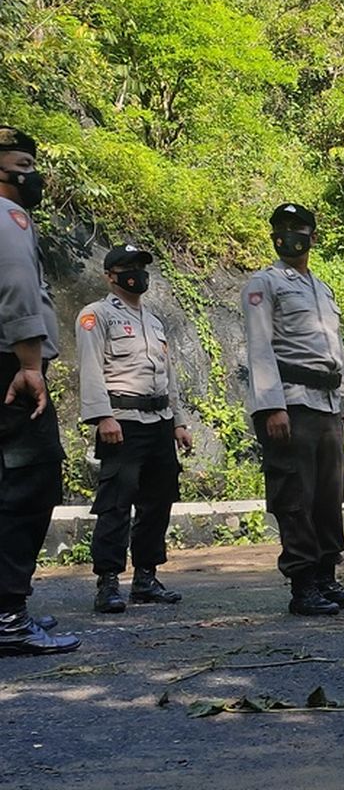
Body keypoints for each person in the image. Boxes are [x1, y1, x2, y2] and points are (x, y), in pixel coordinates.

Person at [241, 203, 344, 615]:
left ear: (313, 237)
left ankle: (327, 579)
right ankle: (303, 587)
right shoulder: (265, 283)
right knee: (295, 495)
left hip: (327, 405)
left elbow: (336, 354)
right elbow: (259, 348)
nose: (288, 234)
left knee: (329, 497)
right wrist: (272, 406)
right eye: (280, 227)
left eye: (297, 227)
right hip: (291, 403)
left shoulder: (323, 290)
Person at [76, 244, 192, 613]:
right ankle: (108, 582)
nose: (136, 274)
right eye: (128, 267)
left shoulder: (154, 322)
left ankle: (145, 578)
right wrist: (102, 417)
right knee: (115, 503)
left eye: (141, 266)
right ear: (110, 276)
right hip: (121, 422)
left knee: (158, 501)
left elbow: (168, 375)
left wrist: (179, 422)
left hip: (159, 421)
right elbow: (91, 369)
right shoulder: (96, 315)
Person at [0, 126, 80, 655]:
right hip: (11, 370)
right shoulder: (9, 216)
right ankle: (8, 615)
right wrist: (30, 363)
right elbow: (16, 286)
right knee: (28, 484)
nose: (33, 175)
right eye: (23, 165)